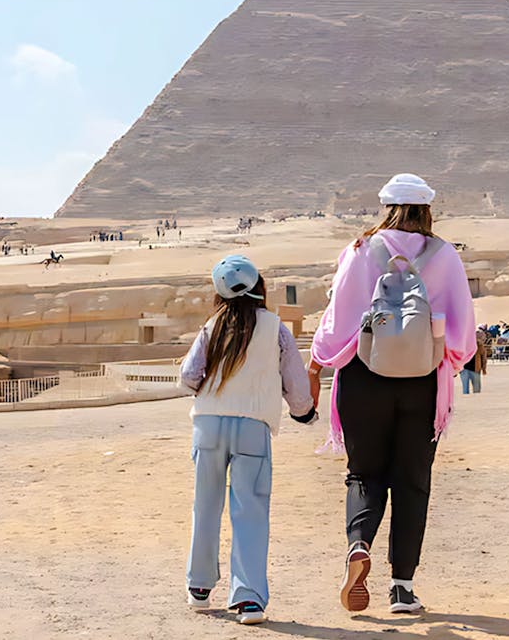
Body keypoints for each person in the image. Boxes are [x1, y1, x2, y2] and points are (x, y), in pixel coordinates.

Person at [309, 174, 475, 615]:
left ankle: (358, 544)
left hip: (365, 377)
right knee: (412, 481)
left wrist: (319, 360)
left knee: (364, 473)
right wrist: (441, 359)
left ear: (385, 207)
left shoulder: (361, 251)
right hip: (423, 382)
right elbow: (463, 338)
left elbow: (337, 317)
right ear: (427, 209)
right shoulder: (445, 256)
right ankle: (402, 587)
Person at [179, 254, 317, 624]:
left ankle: (200, 586)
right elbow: (295, 382)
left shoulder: (212, 326)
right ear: (259, 286)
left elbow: (188, 375)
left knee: (205, 505)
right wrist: (303, 412)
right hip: (253, 427)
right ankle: (248, 598)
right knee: (250, 511)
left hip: (208, 424)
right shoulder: (275, 328)